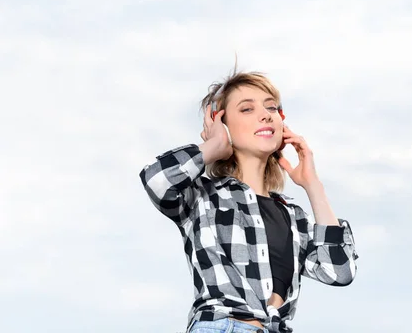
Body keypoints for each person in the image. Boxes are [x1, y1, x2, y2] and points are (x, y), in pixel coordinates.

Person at [139, 69, 358, 333]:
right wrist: (213, 146)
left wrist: (313, 185)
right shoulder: (202, 197)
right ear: (222, 124)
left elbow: (339, 270)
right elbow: (156, 180)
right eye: (246, 109)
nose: (265, 114)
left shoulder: (294, 216)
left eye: (272, 107)